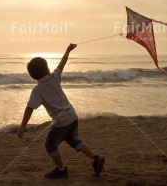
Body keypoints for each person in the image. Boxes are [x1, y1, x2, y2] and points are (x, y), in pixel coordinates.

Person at [17, 43, 105, 179]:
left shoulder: (37, 90)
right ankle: (95, 158)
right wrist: (67, 51)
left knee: (49, 145)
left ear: (32, 76)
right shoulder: (54, 78)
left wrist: (22, 126)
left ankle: (61, 169)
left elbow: (30, 108)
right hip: (72, 115)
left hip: (61, 121)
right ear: (47, 69)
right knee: (73, 139)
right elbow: (62, 64)